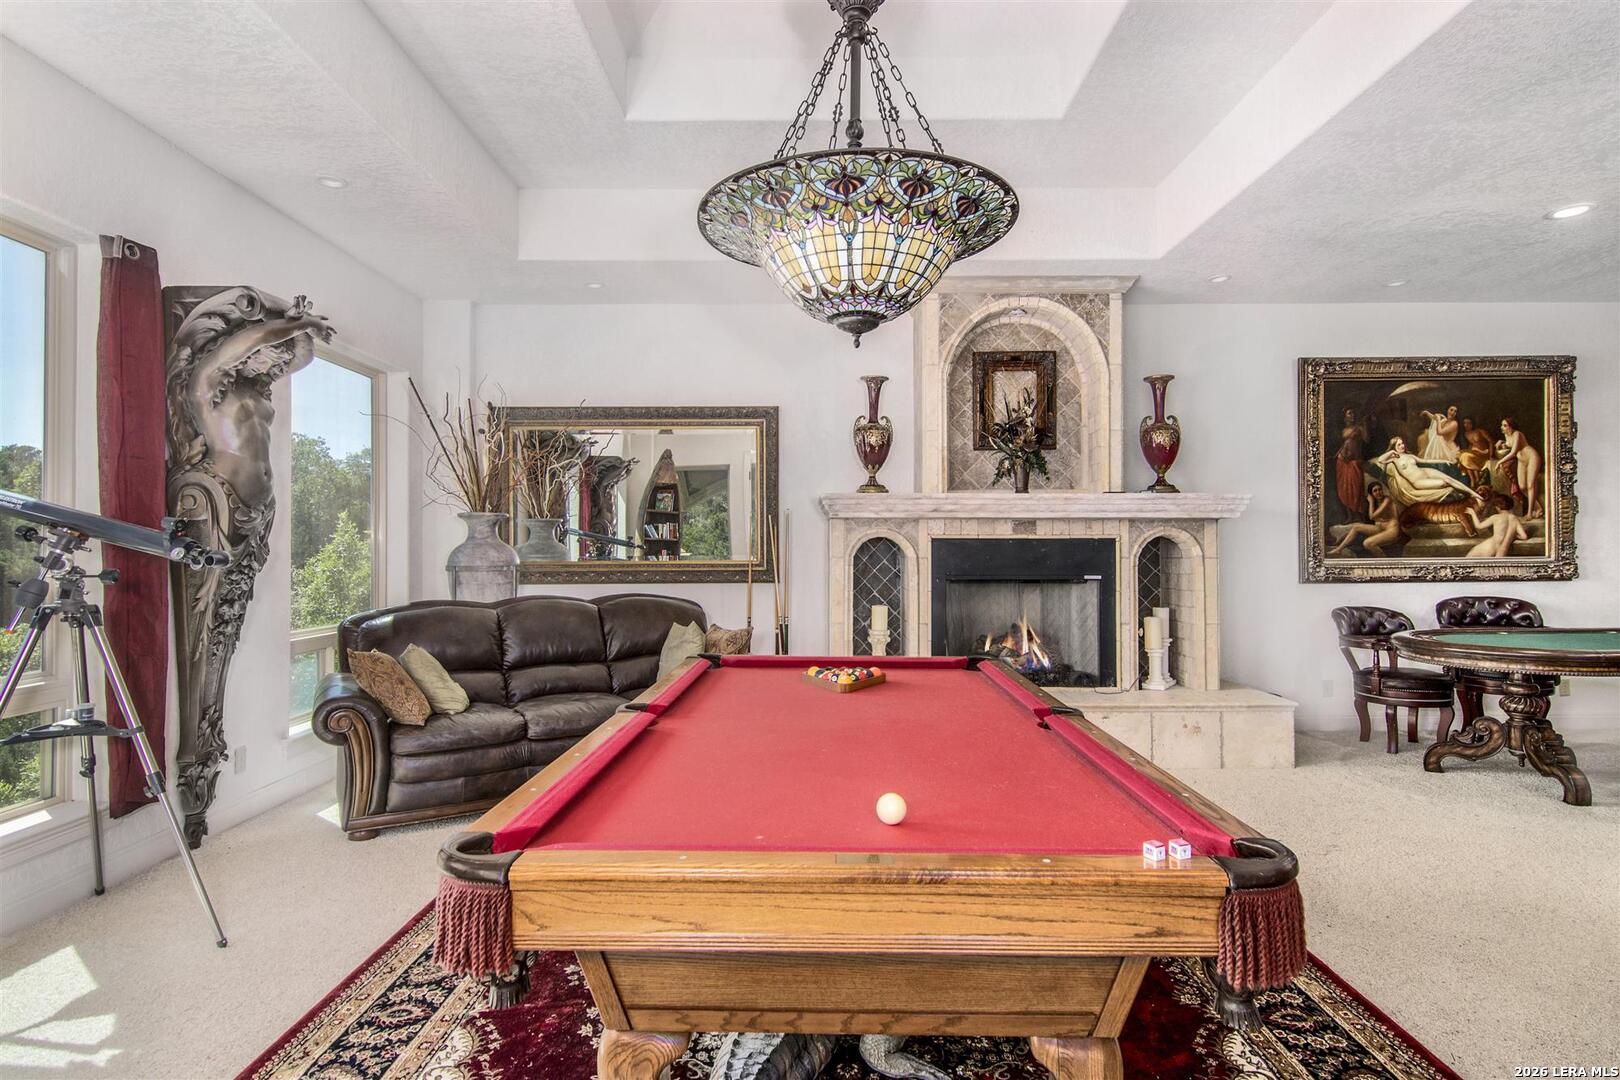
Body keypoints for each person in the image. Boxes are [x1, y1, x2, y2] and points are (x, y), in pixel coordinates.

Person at [1374, 436, 1485, 507]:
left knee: (1449, 479)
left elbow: (1425, 461)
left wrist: (1443, 461)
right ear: (1394, 447)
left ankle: (1473, 494)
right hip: (1418, 482)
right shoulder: (1394, 459)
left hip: (1425, 472)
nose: (1402, 446)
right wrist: (1392, 452)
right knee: (1444, 483)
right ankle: (1464, 496)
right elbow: (1380, 459)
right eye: (1398, 444)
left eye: (1402, 443)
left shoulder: (1410, 455)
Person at [1328, 482, 1401, 556]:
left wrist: (1371, 502)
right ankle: (1339, 549)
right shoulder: (1377, 502)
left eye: (1380, 489)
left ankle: (1384, 560)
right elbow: (1373, 517)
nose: (1378, 492)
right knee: (1356, 528)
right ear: (1371, 494)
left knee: (1367, 543)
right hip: (1381, 528)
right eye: (1375, 491)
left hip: (1392, 530)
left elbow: (1372, 517)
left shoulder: (1387, 500)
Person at [1497, 417, 1543, 519]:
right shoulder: (1506, 435)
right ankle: (1539, 508)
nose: (1502, 427)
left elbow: (1513, 452)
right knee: (1522, 487)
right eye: (1502, 425)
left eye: (1505, 425)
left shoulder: (1517, 434)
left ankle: (1530, 512)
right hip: (1521, 460)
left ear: (1511, 426)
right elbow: (1509, 446)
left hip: (1532, 457)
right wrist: (1501, 445)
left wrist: (1500, 462)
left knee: (1530, 485)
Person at [1334, 407, 1371, 521]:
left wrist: (1365, 425)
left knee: (1356, 489)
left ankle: (1360, 516)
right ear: (1345, 416)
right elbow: (1345, 444)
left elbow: (1367, 439)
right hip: (1342, 461)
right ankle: (1349, 516)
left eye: (1353, 413)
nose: (1352, 415)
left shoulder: (1359, 428)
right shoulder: (1344, 430)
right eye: (1350, 413)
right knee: (1344, 489)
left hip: (1354, 462)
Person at [1456, 418, 1495, 486]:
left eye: (1469, 423)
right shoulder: (1466, 434)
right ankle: (1473, 480)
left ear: (1472, 424)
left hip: (1484, 453)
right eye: (1465, 423)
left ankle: (1476, 479)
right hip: (1475, 453)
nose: (1466, 425)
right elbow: (1472, 444)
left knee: (1465, 456)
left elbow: (1491, 441)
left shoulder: (1480, 431)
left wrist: (1491, 455)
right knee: (1461, 455)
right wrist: (1467, 450)